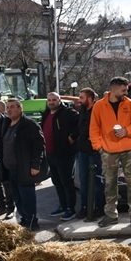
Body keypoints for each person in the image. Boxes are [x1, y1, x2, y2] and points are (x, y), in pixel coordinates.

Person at [90, 77, 131, 228]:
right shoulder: (99, 106)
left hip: (129, 149)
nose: (126, 92)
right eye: (124, 89)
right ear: (113, 88)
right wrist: (99, 147)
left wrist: (126, 131)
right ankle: (111, 215)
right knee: (110, 184)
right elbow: (94, 128)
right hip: (108, 150)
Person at [2, 98, 47, 231]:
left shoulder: (29, 124)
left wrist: (35, 165)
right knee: (17, 197)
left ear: (20, 108)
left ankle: (32, 221)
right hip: (10, 168)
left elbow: (39, 146)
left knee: (27, 196)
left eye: (11, 107)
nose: (8, 110)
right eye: (7, 107)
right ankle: (24, 218)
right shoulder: (7, 123)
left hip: (24, 167)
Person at [41, 92, 79, 221]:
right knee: (56, 181)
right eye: (49, 100)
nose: (51, 102)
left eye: (54, 99)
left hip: (64, 154)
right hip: (51, 154)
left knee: (66, 181)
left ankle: (70, 208)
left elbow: (80, 124)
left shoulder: (68, 113)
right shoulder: (46, 113)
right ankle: (63, 205)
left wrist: (72, 137)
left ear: (59, 100)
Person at [75, 88, 105, 220]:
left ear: (91, 98)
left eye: (82, 97)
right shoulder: (82, 110)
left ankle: (99, 207)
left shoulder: (98, 111)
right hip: (82, 151)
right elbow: (80, 127)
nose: (79, 100)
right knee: (83, 180)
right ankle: (85, 207)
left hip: (95, 151)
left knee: (97, 181)